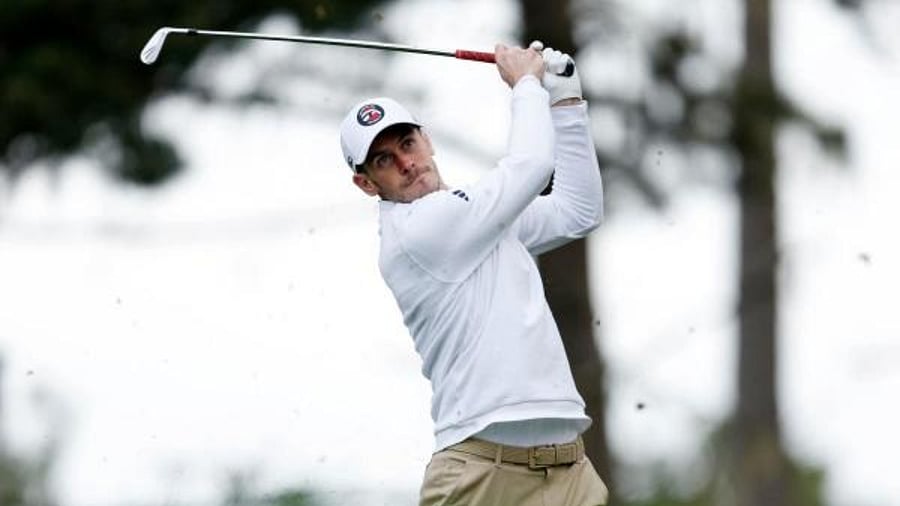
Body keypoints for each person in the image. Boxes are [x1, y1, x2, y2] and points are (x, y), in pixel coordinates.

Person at [339, 42, 608, 506]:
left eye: (406, 143)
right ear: (366, 184)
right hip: (481, 475)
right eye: (383, 160)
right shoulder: (419, 231)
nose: (405, 162)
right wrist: (525, 85)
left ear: (427, 140)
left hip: (569, 472)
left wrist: (565, 102)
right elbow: (531, 165)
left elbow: (577, 211)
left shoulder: (476, 222)